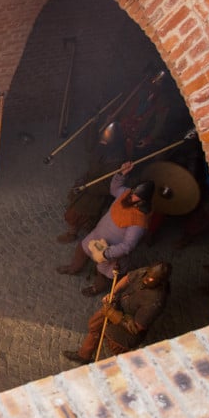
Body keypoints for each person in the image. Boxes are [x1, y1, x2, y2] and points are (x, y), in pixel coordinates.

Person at [56, 160, 155, 296]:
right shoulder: (125, 194)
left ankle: (96, 288)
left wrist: (106, 254)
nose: (130, 196)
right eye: (132, 192)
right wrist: (121, 174)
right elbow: (114, 189)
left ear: (142, 201)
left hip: (111, 250)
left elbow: (127, 246)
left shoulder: (139, 221)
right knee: (82, 249)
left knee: (103, 274)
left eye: (134, 196)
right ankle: (74, 268)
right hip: (98, 235)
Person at [62, 262, 172, 364]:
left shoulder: (155, 302)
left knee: (116, 348)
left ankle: (123, 369)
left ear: (160, 282)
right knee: (95, 324)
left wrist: (113, 315)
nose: (147, 280)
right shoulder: (144, 272)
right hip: (117, 307)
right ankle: (83, 355)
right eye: (148, 275)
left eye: (152, 279)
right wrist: (113, 293)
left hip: (128, 329)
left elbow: (136, 328)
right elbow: (127, 279)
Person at [56, 121, 124, 243]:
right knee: (73, 210)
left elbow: (108, 185)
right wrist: (94, 123)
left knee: (83, 215)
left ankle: (90, 236)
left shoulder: (115, 159)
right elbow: (89, 146)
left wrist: (88, 187)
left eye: (104, 141)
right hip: (87, 184)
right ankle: (73, 233)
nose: (101, 143)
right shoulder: (102, 146)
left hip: (96, 192)